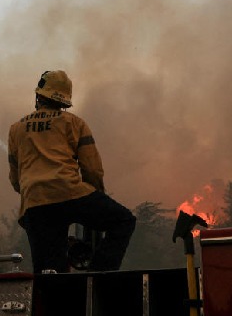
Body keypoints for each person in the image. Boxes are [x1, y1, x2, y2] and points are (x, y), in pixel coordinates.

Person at [8, 70, 136, 273]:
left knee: (50, 276)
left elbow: (15, 179)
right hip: (70, 193)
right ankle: (97, 277)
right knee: (123, 220)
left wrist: (35, 193)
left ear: (38, 95)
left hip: (35, 203)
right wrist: (96, 198)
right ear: (64, 100)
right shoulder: (74, 124)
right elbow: (92, 169)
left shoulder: (16, 129)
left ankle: (54, 303)